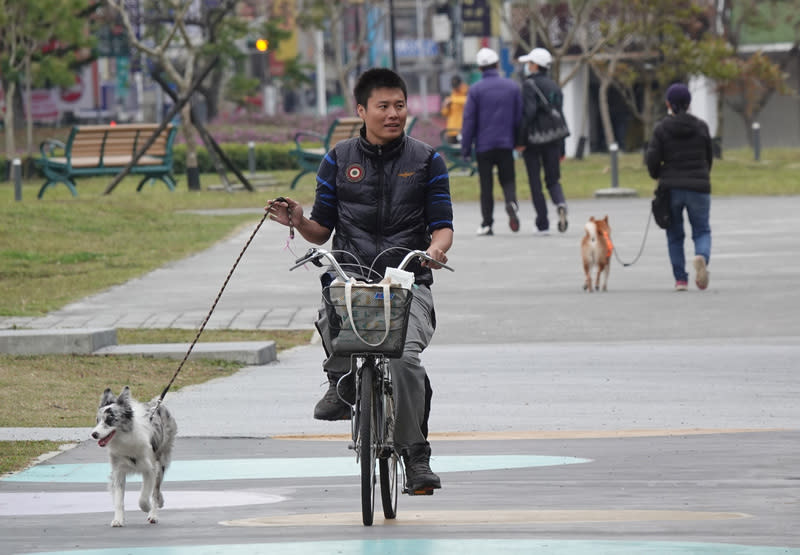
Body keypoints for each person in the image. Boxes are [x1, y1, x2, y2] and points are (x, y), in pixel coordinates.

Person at [265, 68, 454, 493]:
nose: (393, 114)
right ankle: (341, 382)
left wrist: (437, 250)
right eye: (383, 106)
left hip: (409, 284)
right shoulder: (338, 158)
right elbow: (322, 229)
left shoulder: (427, 160)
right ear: (361, 110)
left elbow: (443, 225)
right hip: (352, 280)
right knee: (330, 307)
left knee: (405, 360)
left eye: (399, 106)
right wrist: (298, 219)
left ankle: (415, 456)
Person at [646, 83, 712, 292]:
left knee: (674, 235)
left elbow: (652, 159)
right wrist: (702, 175)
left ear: (668, 104)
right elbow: (708, 157)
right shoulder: (701, 127)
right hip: (699, 187)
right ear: (689, 104)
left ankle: (680, 279)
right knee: (701, 230)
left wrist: (657, 174)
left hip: (671, 188)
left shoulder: (661, 128)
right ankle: (701, 256)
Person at [460, 47, 522, 236]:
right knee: (508, 179)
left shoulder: (475, 90)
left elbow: (469, 120)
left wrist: (465, 149)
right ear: (497, 64)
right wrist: (518, 141)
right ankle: (511, 202)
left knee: (486, 184)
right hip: (505, 143)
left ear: (480, 68)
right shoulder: (512, 87)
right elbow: (519, 117)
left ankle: (487, 223)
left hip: (484, 145)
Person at [516, 47, 569, 235]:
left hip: (533, 142)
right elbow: (559, 117)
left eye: (529, 63)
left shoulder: (528, 85)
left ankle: (543, 222)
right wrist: (562, 148)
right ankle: (560, 203)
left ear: (535, 66)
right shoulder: (555, 86)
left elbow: (528, 114)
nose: (527, 67)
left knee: (535, 182)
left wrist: (520, 139)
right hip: (554, 140)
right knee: (553, 179)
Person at [440, 75, 469, 144]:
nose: (455, 88)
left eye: (456, 86)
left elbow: (468, 101)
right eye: (454, 86)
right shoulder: (452, 94)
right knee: (451, 152)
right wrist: (446, 107)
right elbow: (445, 113)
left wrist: (452, 100)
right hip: (451, 130)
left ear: (461, 84)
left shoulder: (467, 91)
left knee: (463, 152)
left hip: (463, 129)